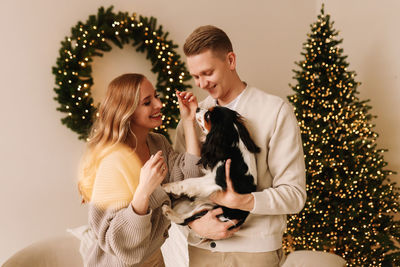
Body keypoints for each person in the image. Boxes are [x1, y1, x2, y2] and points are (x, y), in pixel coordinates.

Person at [174, 25, 307, 266]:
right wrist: (194, 222)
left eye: (208, 73)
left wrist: (242, 201)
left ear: (231, 60)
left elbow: (294, 195)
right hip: (202, 251)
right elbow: (179, 185)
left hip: (254, 255)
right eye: (195, 77)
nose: (201, 84)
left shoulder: (274, 111)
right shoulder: (193, 118)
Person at [78, 73, 202, 267]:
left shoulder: (157, 142)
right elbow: (119, 243)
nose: (159, 104)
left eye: (156, 96)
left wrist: (188, 121)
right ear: (127, 111)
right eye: (147, 102)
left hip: (153, 259)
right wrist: (144, 191)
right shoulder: (112, 161)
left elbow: (189, 179)